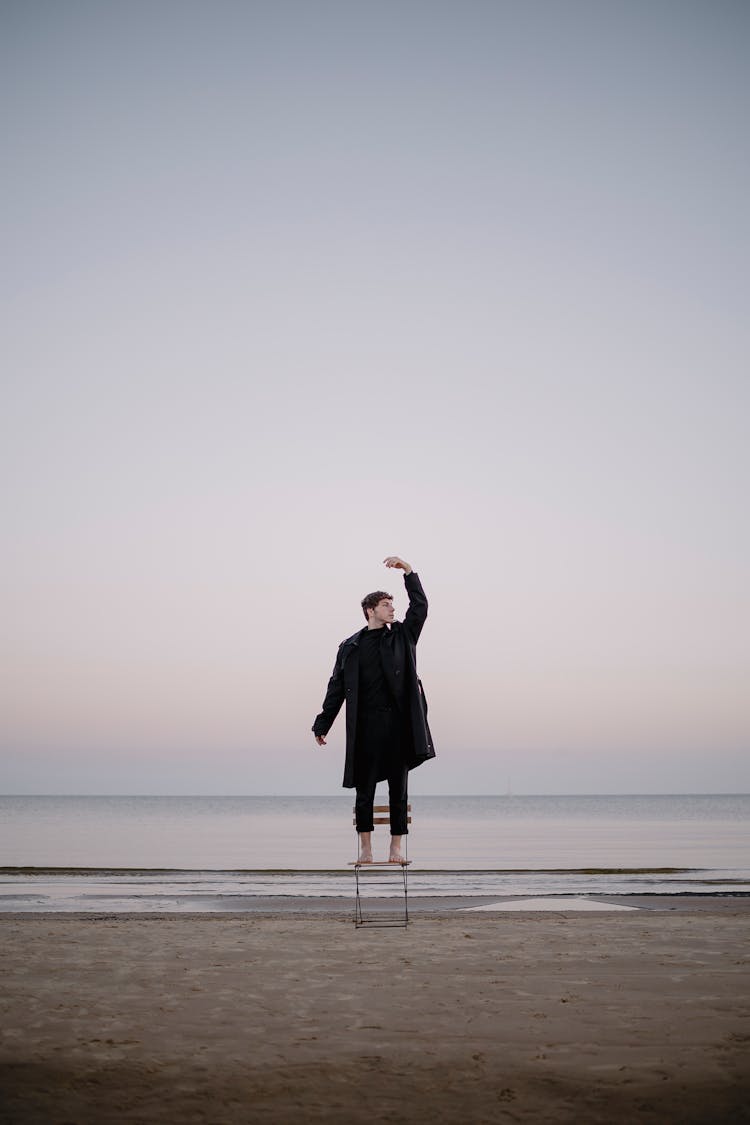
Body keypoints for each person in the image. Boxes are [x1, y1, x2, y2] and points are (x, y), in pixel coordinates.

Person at [312, 556, 435, 863]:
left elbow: (420, 607)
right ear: (371, 610)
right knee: (364, 789)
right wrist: (322, 724)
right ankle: (366, 849)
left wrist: (409, 572)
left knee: (398, 789)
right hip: (364, 727)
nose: (392, 609)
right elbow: (336, 688)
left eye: (392, 605)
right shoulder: (349, 647)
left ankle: (395, 849)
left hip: (398, 726)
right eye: (386, 605)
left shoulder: (403, 637)